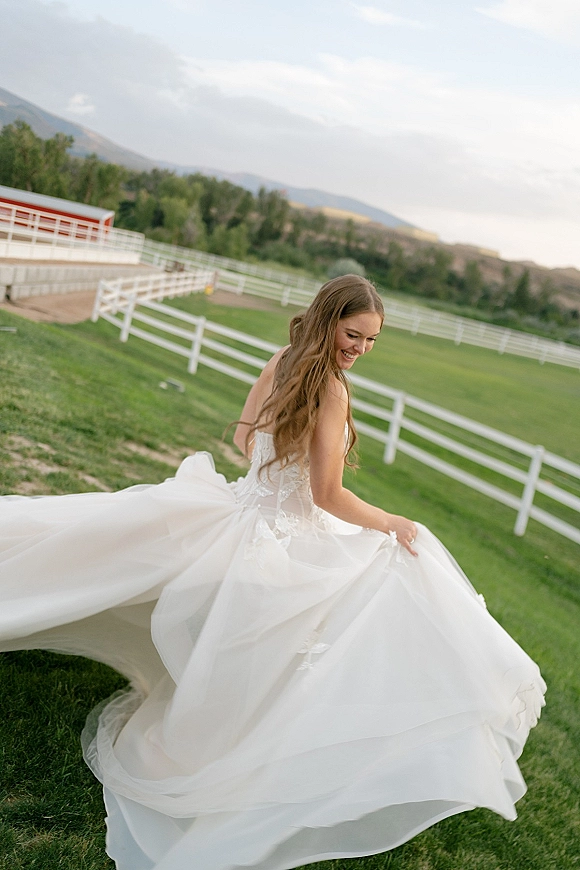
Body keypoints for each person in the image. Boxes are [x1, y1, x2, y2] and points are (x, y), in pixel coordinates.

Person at [0, 275, 545, 870]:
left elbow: (240, 436)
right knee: (397, 568)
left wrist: (270, 475)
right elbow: (329, 494)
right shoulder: (332, 391)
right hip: (278, 538)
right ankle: (273, 747)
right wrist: (390, 519)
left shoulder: (284, 358)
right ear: (329, 318)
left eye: (371, 340)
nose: (360, 348)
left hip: (240, 511)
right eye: (353, 333)